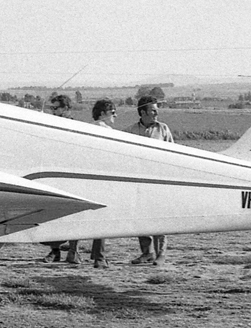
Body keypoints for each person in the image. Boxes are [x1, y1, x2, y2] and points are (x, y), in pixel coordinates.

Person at [126, 96, 174, 266]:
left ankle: (161, 254)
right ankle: (147, 253)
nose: (156, 113)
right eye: (153, 110)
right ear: (142, 112)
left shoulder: (163, 129)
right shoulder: (130, 131)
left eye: (156, 110)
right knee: (141, 217)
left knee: (159, 217)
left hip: (158, 181)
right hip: (138, 181)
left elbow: (172, 155)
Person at [72, 99, 117, 268]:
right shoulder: (107, 131)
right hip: (101, 180)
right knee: (102, 219)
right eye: (112, 112)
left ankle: (73, 252)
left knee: (79, 216)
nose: (115, 116)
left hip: (85, 179)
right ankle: (99, 256)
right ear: (103, 113)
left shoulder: (86, 129)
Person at [40, 94, 77, 263]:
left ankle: (74, 251)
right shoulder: (50, 126)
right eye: (52, 108)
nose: (53, 112)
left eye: (56, 108)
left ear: (66, 109)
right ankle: (55, 250)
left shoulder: (75, 127)